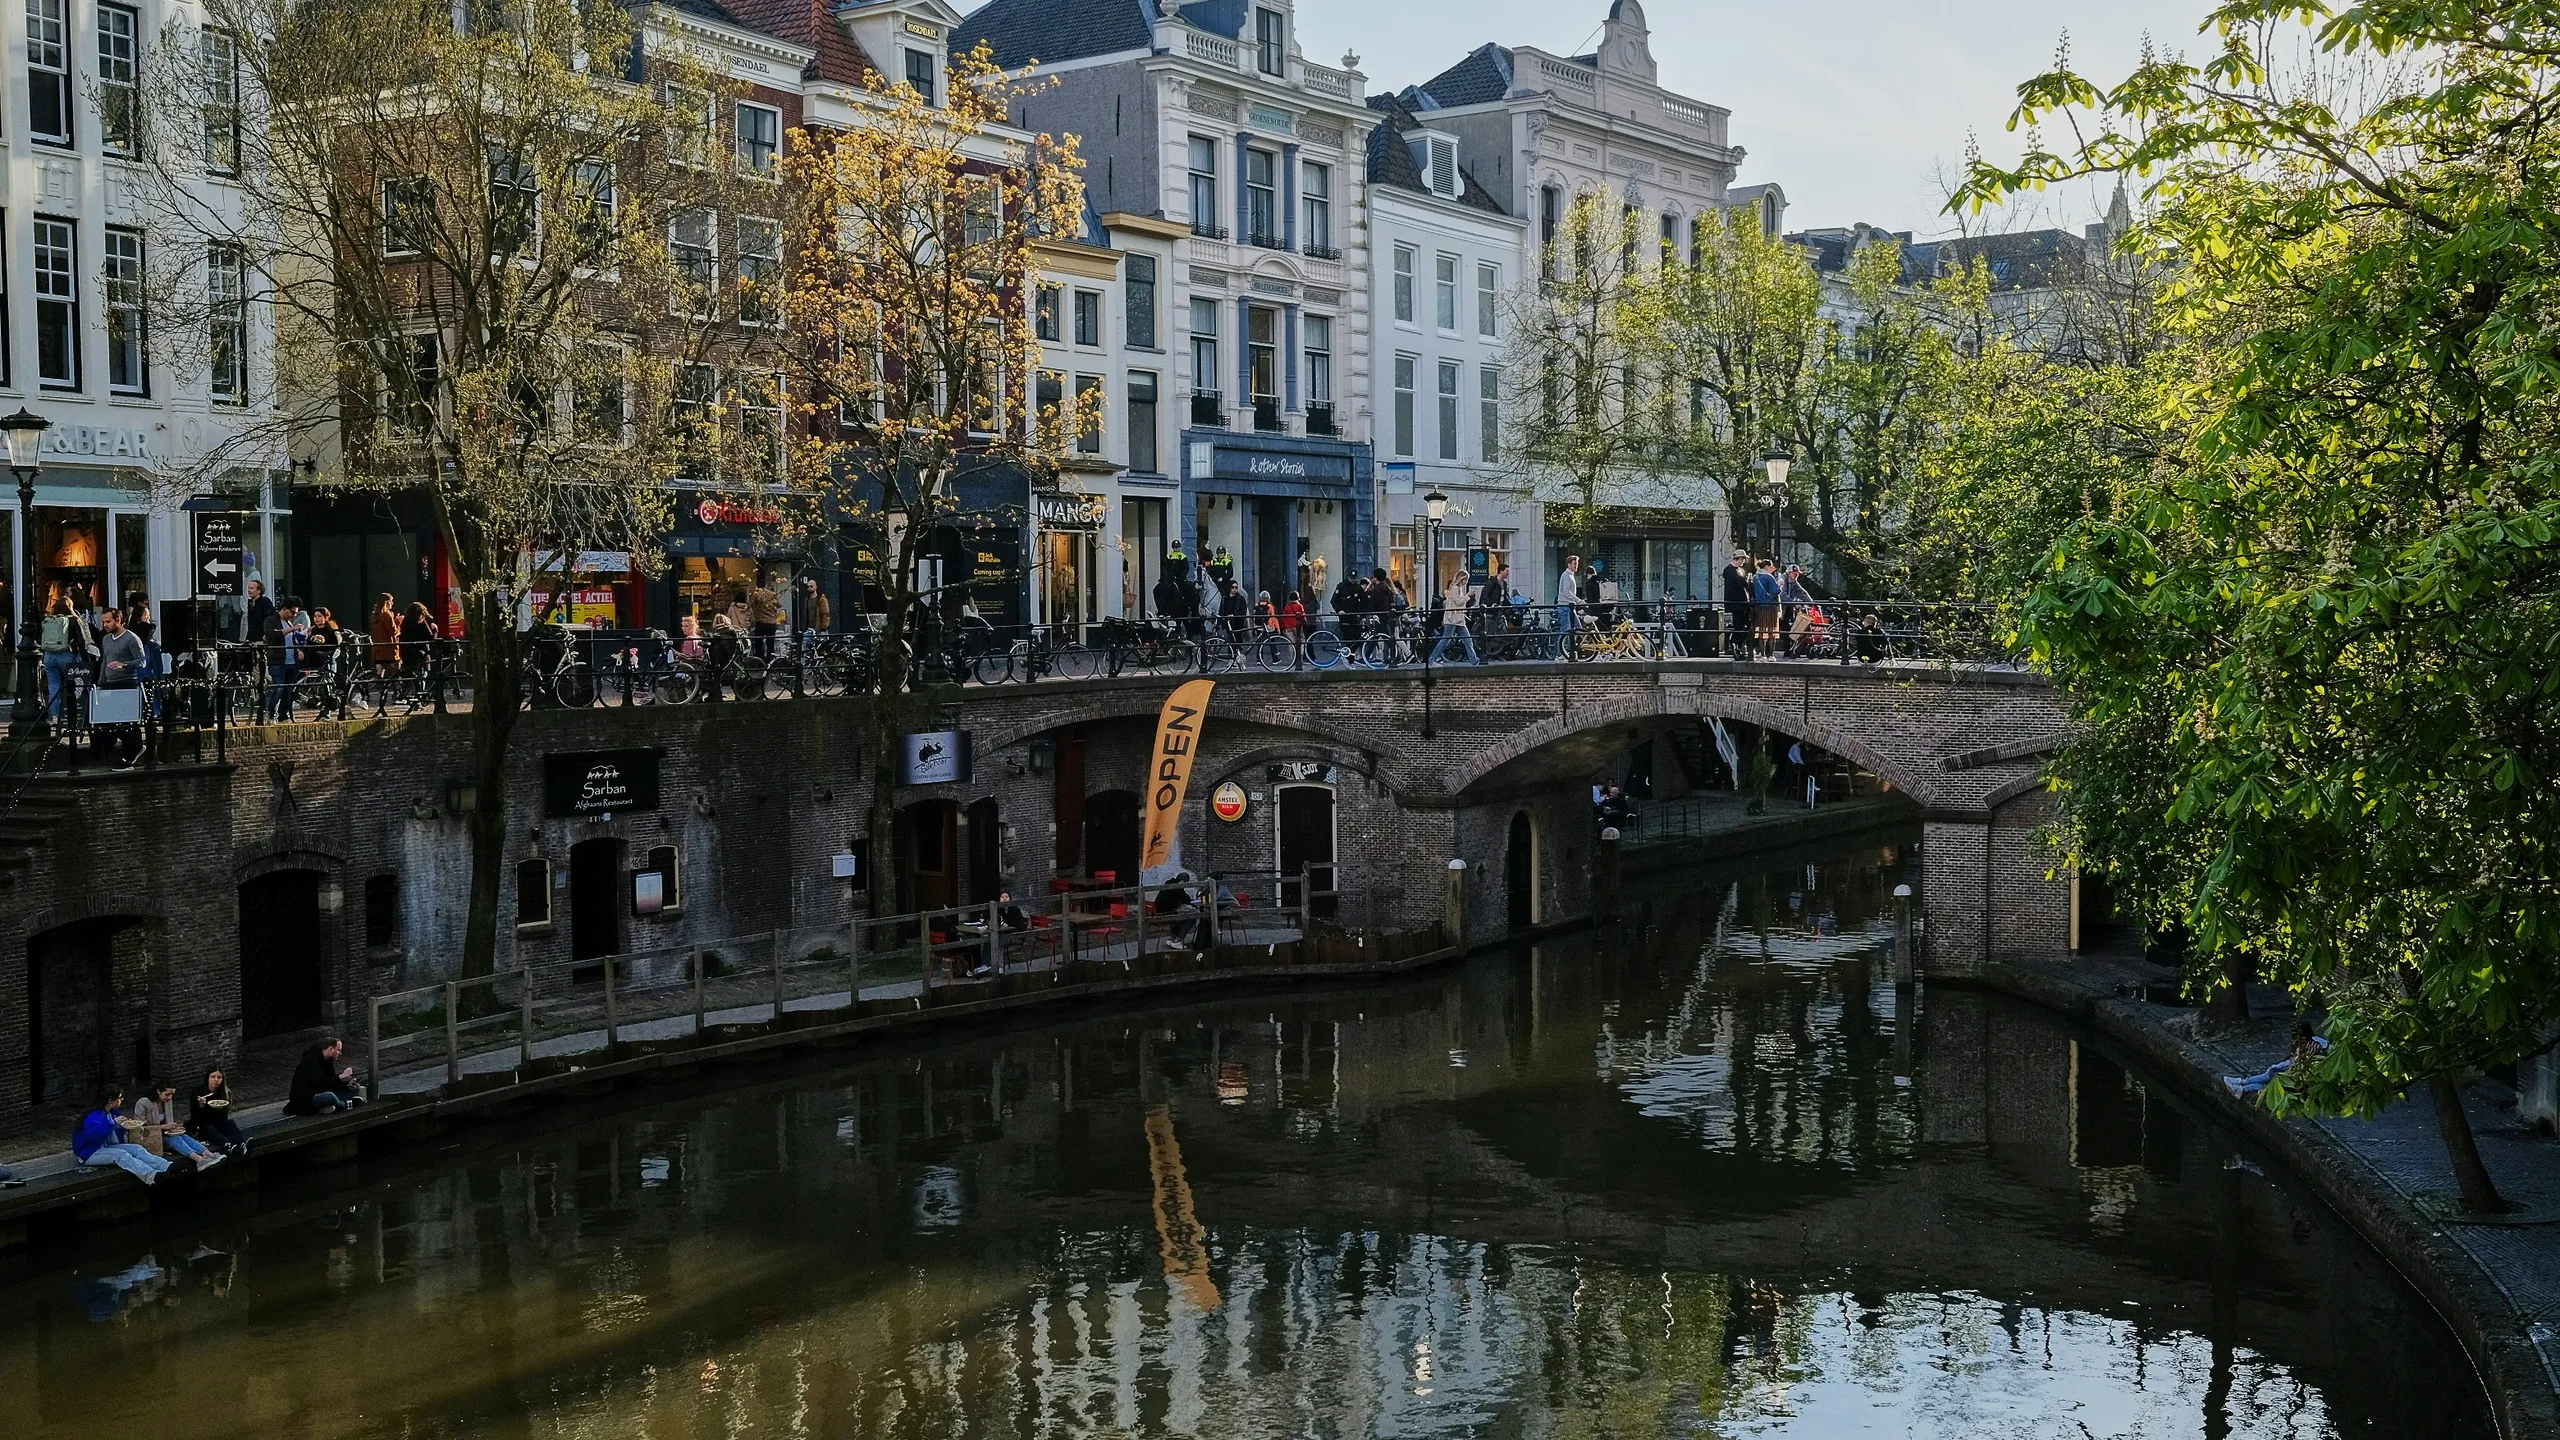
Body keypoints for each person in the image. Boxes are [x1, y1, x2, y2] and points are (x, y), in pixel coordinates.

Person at [73, 1089, 172, 1186]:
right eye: (119, 1098)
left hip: (107, 1146)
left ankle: (165, 1165)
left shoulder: (113, 1113)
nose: (122, 1100)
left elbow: (114, 1132)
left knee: (136, 1148)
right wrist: (113, 1123)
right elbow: (94, 1134)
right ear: (110, 1101)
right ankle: (152, 1176)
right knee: (121, 1155)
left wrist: (123, 1126)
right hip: (90, 1152)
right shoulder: (94, 1116)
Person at [133, 1082, 225, 1172]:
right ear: (158, 1091)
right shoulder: (143, 1103)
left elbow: (168, 1121)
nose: (169, 1097)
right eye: (167, 1094)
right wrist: (163, 1127)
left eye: (172, 1094)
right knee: (176, 1140)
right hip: (151, 1137)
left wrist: (172, 1127)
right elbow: (141, 1127)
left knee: (184, 1136)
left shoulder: (167, 1102)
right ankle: (199, 1160)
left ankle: (209, 1155)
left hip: (165, 1133)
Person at [2226, 1022, 2330, 1099]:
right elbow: (2292, 1056)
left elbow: (2302, 1063)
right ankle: (2241, 1088)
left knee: (2269, 1076)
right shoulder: (2302, 1043)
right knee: (2268, 1082)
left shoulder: (2313, 1046)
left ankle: (2241, 1083)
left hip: (2296, 1072)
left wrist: (2283, 1067)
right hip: (2291, 1067)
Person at [38, 594, 92, 722]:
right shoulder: (73, 619)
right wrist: (86, 660)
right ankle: (71, 715)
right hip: (66, 654)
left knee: (53, 686)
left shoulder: (49, 619)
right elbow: (81, 641)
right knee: (72, 686)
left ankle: (55, 716)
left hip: (49, 656)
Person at [286, 1037, 366, 1115]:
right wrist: (340, 1077)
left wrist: (346, 1084)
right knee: (329, 1096)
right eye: (338, 1050)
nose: (340, 1053)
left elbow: (331, 1083)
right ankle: (343, 1104)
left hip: (322, 1092)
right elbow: (318, 1085)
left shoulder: (328, 1061)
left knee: (356, 1088)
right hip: (307, 1098)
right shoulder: (310, 1061)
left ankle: (327, 1106)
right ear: (331, 1049)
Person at [190, 1068, 249, 1156]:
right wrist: (201, 1106)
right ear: (208, 1078)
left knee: (230, 1123)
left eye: (219, 1077)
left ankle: (242, 1143)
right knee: (208, 1128)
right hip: (202, 1125)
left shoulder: (224, 1092)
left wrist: (221, 1108)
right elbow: (195, 1116)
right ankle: (227, 1145)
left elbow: (224, 1116)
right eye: (213, 1077)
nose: (216, 1080)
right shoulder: (198, 1091)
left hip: (218, 1122)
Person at [1429, 571, 1481, 665]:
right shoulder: (1455, 588)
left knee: (1467, 639)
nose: (1466, 581)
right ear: (1461, 579)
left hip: (1458, 620)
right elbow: (1457, 602)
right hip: (1452, 619)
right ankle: (1432, 660)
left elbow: (1458, 603)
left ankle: (1474, 659)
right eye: (1465, 579)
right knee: (1445, 640)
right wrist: (1468, 595)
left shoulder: (1458, 589)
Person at [1721, 552, 1754, 658]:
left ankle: (1737, 645)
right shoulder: (1730, 571)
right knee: (1739, 625)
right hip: (1737, 603)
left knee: (1747, 626)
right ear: (1739, 558)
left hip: (1743, 603)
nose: (1744, 562)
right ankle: (1735, 643)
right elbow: (1734, 587)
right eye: (1743, 559)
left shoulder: (1739, 570)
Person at [1779, 565, 1815, 656]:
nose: (1796, 576)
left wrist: (1811, 602)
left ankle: (1788, 649)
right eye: (1795, 574)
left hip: (1788, 607)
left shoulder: (1793, 581)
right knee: (1785, 628)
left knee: (1789, 627)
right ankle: (1786, 650)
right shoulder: (1783, 579)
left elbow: (1802, 592)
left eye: (1797, 574)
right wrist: (1793, 603)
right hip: (1782, 608)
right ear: (1789, 572)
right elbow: (1782, 594)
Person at [1751, 560, 1784, 654]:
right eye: (1771, 567)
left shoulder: (1755, 577)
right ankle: (1770, 654)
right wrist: (1780, 586)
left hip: (1759, 606)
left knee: (1761, 632)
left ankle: (1762, 654)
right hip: (1770, 606)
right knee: (1772, 632)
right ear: (1767, 567)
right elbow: (1775, 592)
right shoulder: (1769, 577)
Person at [748, 580, 784, 660]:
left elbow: (749, 605)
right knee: (770, 643)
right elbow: (779, 607)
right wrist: (774, 617)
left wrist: (755, 614)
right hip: (771, 623)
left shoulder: (757, 594)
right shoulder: (773, 594)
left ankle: (760, 660)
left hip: (761, 621)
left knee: (759, 642)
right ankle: (770, 660)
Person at [369, 594, 401, 677]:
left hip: (378, 650)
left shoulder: (376, 615)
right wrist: (397, 622)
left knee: (380, 672)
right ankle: (398, 689)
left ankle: (375, 687)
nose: (392, 603)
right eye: (391, 601)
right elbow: (393, 632)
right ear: (386, 602)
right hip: (389, 650)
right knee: (395, 671)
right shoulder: (387, 615)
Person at [240, 578, 276, 649]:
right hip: (251, 639)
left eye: (252, 588)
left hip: (261, 639)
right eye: (248, 588)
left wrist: (266, 635)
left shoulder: (265, 602)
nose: (249, 590)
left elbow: (270, 619)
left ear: (259, 590)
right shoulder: (250, 603)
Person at [1555, 554, 1583, 639]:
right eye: (1574, 563)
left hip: (1569, 606)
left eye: (1577, 563)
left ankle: (1570, 647)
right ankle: (1562, 651)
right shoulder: (1567, 575)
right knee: (1566, 630)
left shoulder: (1569, 575)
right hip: (1565, 606)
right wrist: (1578, 600)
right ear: (1569, 564)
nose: (1576, 565)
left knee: (1576, 628)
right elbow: (1566, 591)